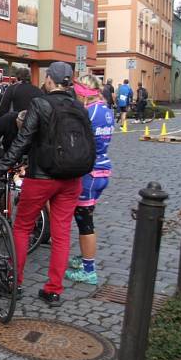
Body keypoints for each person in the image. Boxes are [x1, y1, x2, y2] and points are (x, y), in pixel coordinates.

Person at [0, 61, 91, 306]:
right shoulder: (79, 106)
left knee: (22, 227)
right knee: (62, 233)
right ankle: (53, 290)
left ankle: (15, 281)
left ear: (48, 80)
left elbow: (23, 140)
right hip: (71, 178)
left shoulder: (40, 103)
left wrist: (1, 168)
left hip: (41, 177)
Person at [65, 75, 113, 286]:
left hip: (89, 172)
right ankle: (85, 257)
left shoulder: (87, 113)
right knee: (85, 217)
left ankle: (89, 269)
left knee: (85, 223)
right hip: (103, 168)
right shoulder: (105, 109)